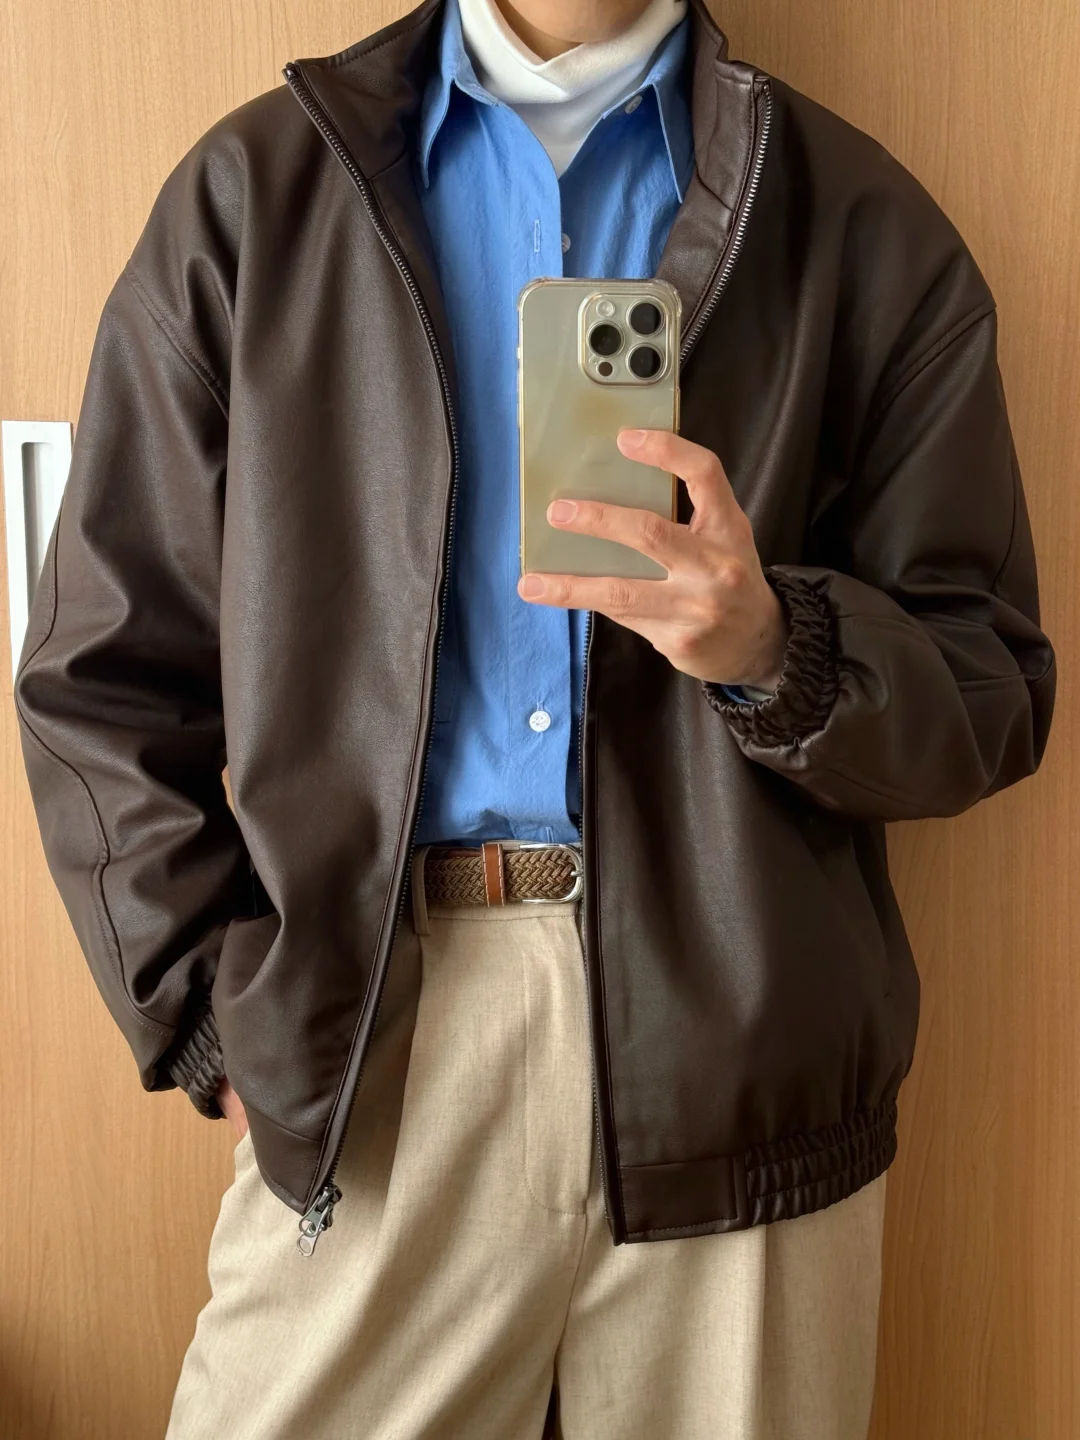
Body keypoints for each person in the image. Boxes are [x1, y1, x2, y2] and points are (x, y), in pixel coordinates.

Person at [14, 0, 1055, 1434]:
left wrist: (775, 646)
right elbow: (101, 672)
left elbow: (989, 687)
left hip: (742, 1040)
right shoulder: (259, 196)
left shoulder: (858, 222)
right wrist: (204, 1015)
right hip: (376, 1031)